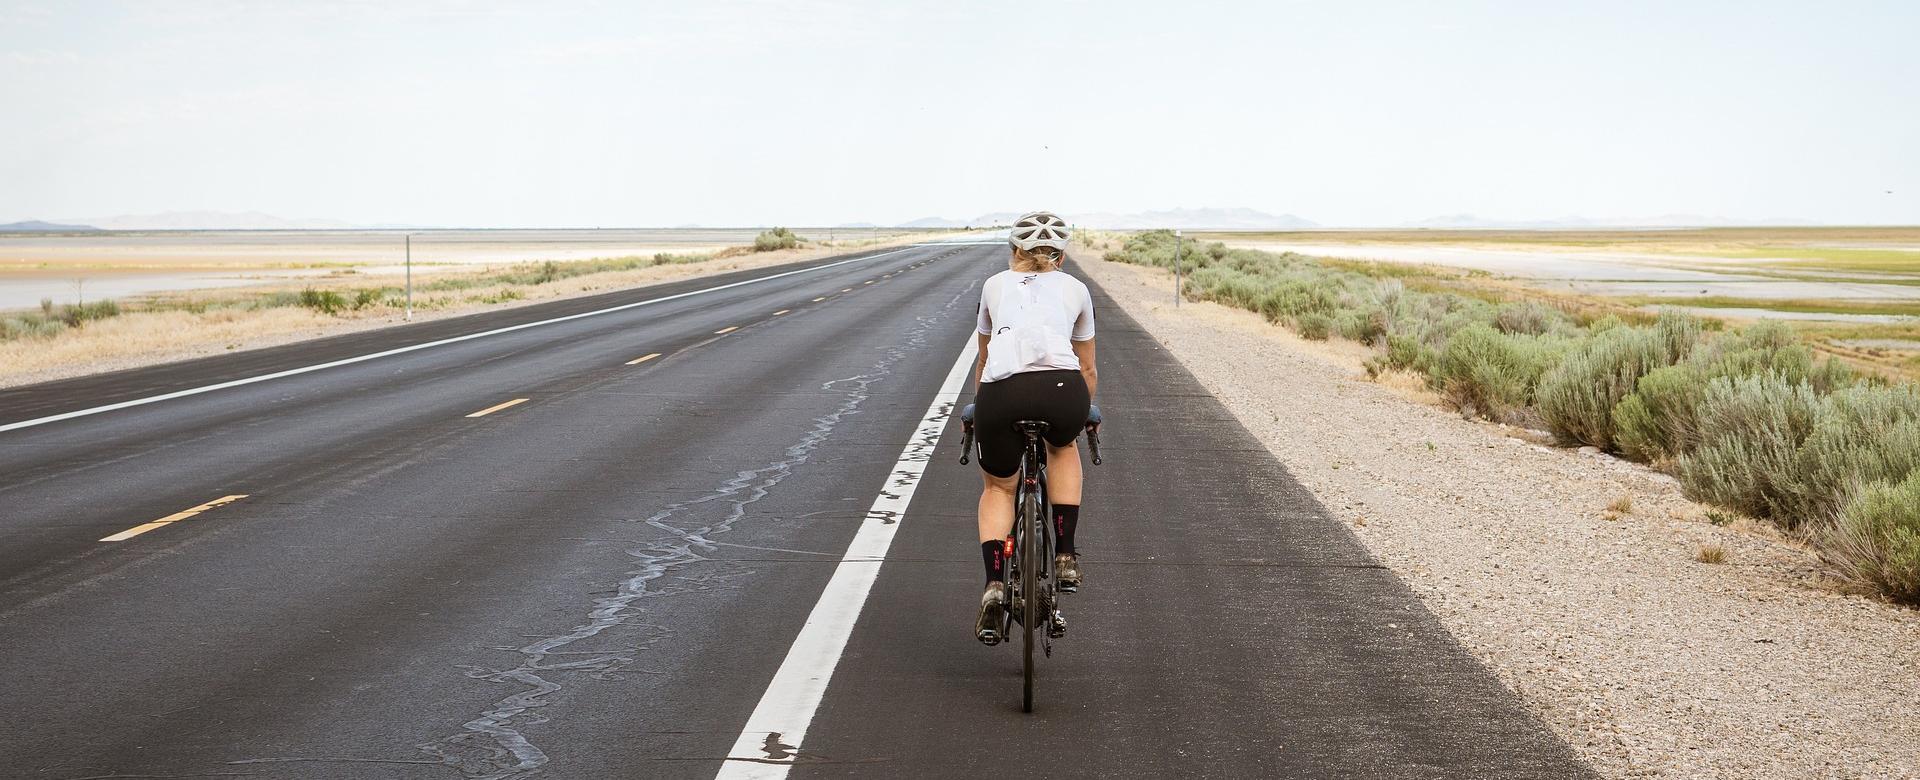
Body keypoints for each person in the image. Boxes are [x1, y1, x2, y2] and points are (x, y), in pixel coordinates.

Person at [970, 210, 1097, 646]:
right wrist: (1083, 411)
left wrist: (980, 408)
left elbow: (984, 359)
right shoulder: (1076, 289)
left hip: (1001, 392)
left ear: (1013, 250)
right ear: (1061, 256)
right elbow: (1087, 367)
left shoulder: (994, 285)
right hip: (1062, 388)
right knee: (1062, 448)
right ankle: (1065, 556)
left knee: (998, 488)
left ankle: (994, 584)